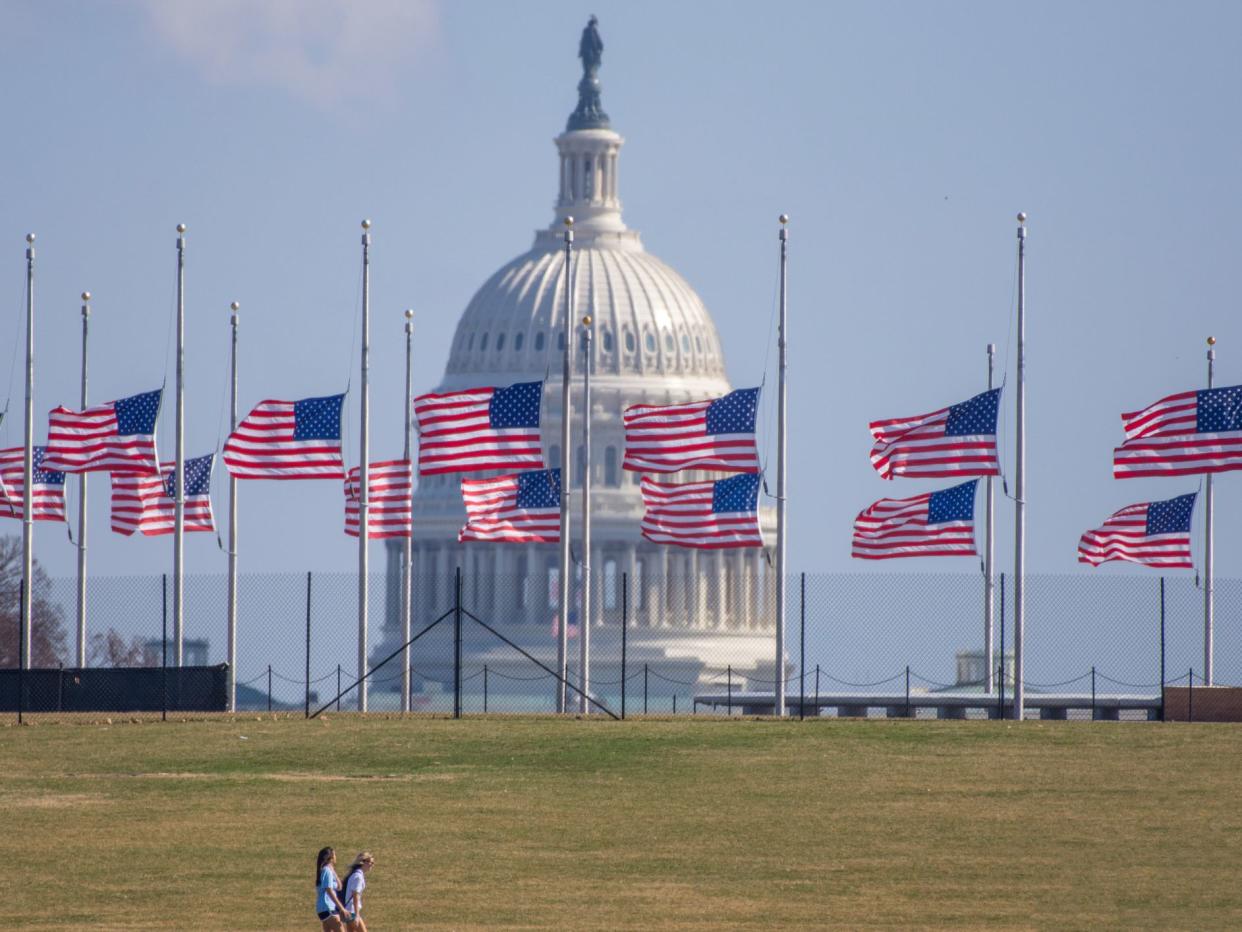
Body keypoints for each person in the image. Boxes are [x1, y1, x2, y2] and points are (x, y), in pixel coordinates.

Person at [315, 847, 352, 930]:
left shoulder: (328, 870)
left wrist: (333, 871)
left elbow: (339, 887)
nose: (336, 856)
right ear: (330, 858)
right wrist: (342, 909)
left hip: (323, 909)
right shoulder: (327, 871)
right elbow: (329, 891)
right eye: (334, 854)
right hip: (328, 907)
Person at [341, 851, 375, 931]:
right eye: (371, 862)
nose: (372, 865)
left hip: (348, 910)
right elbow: (355, 896)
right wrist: (357, 915)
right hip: (352, 911)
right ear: (363, 862)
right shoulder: (358, 876)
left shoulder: (355, 874)